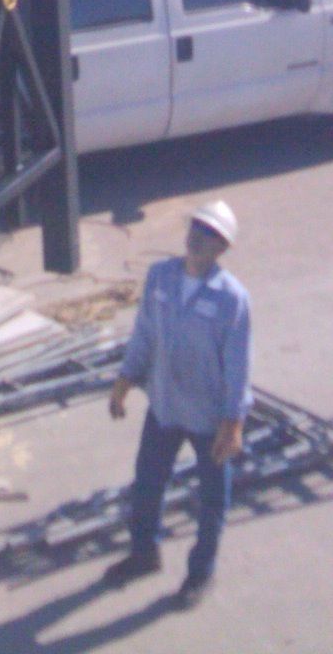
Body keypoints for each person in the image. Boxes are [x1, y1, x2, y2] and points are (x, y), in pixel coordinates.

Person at [101, 198, 252, 609]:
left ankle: (199, 574)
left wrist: (233, 422)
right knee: (147, 484)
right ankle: (144, 553)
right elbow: (145, 333)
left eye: (211, 235)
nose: (199, 239)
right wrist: (125, 380)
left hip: (208, 418)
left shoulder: (231, 300)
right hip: (165, 407)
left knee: (212, 501)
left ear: (223, 248)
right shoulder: (161, 278)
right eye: (197, 229)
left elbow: (238, 367)